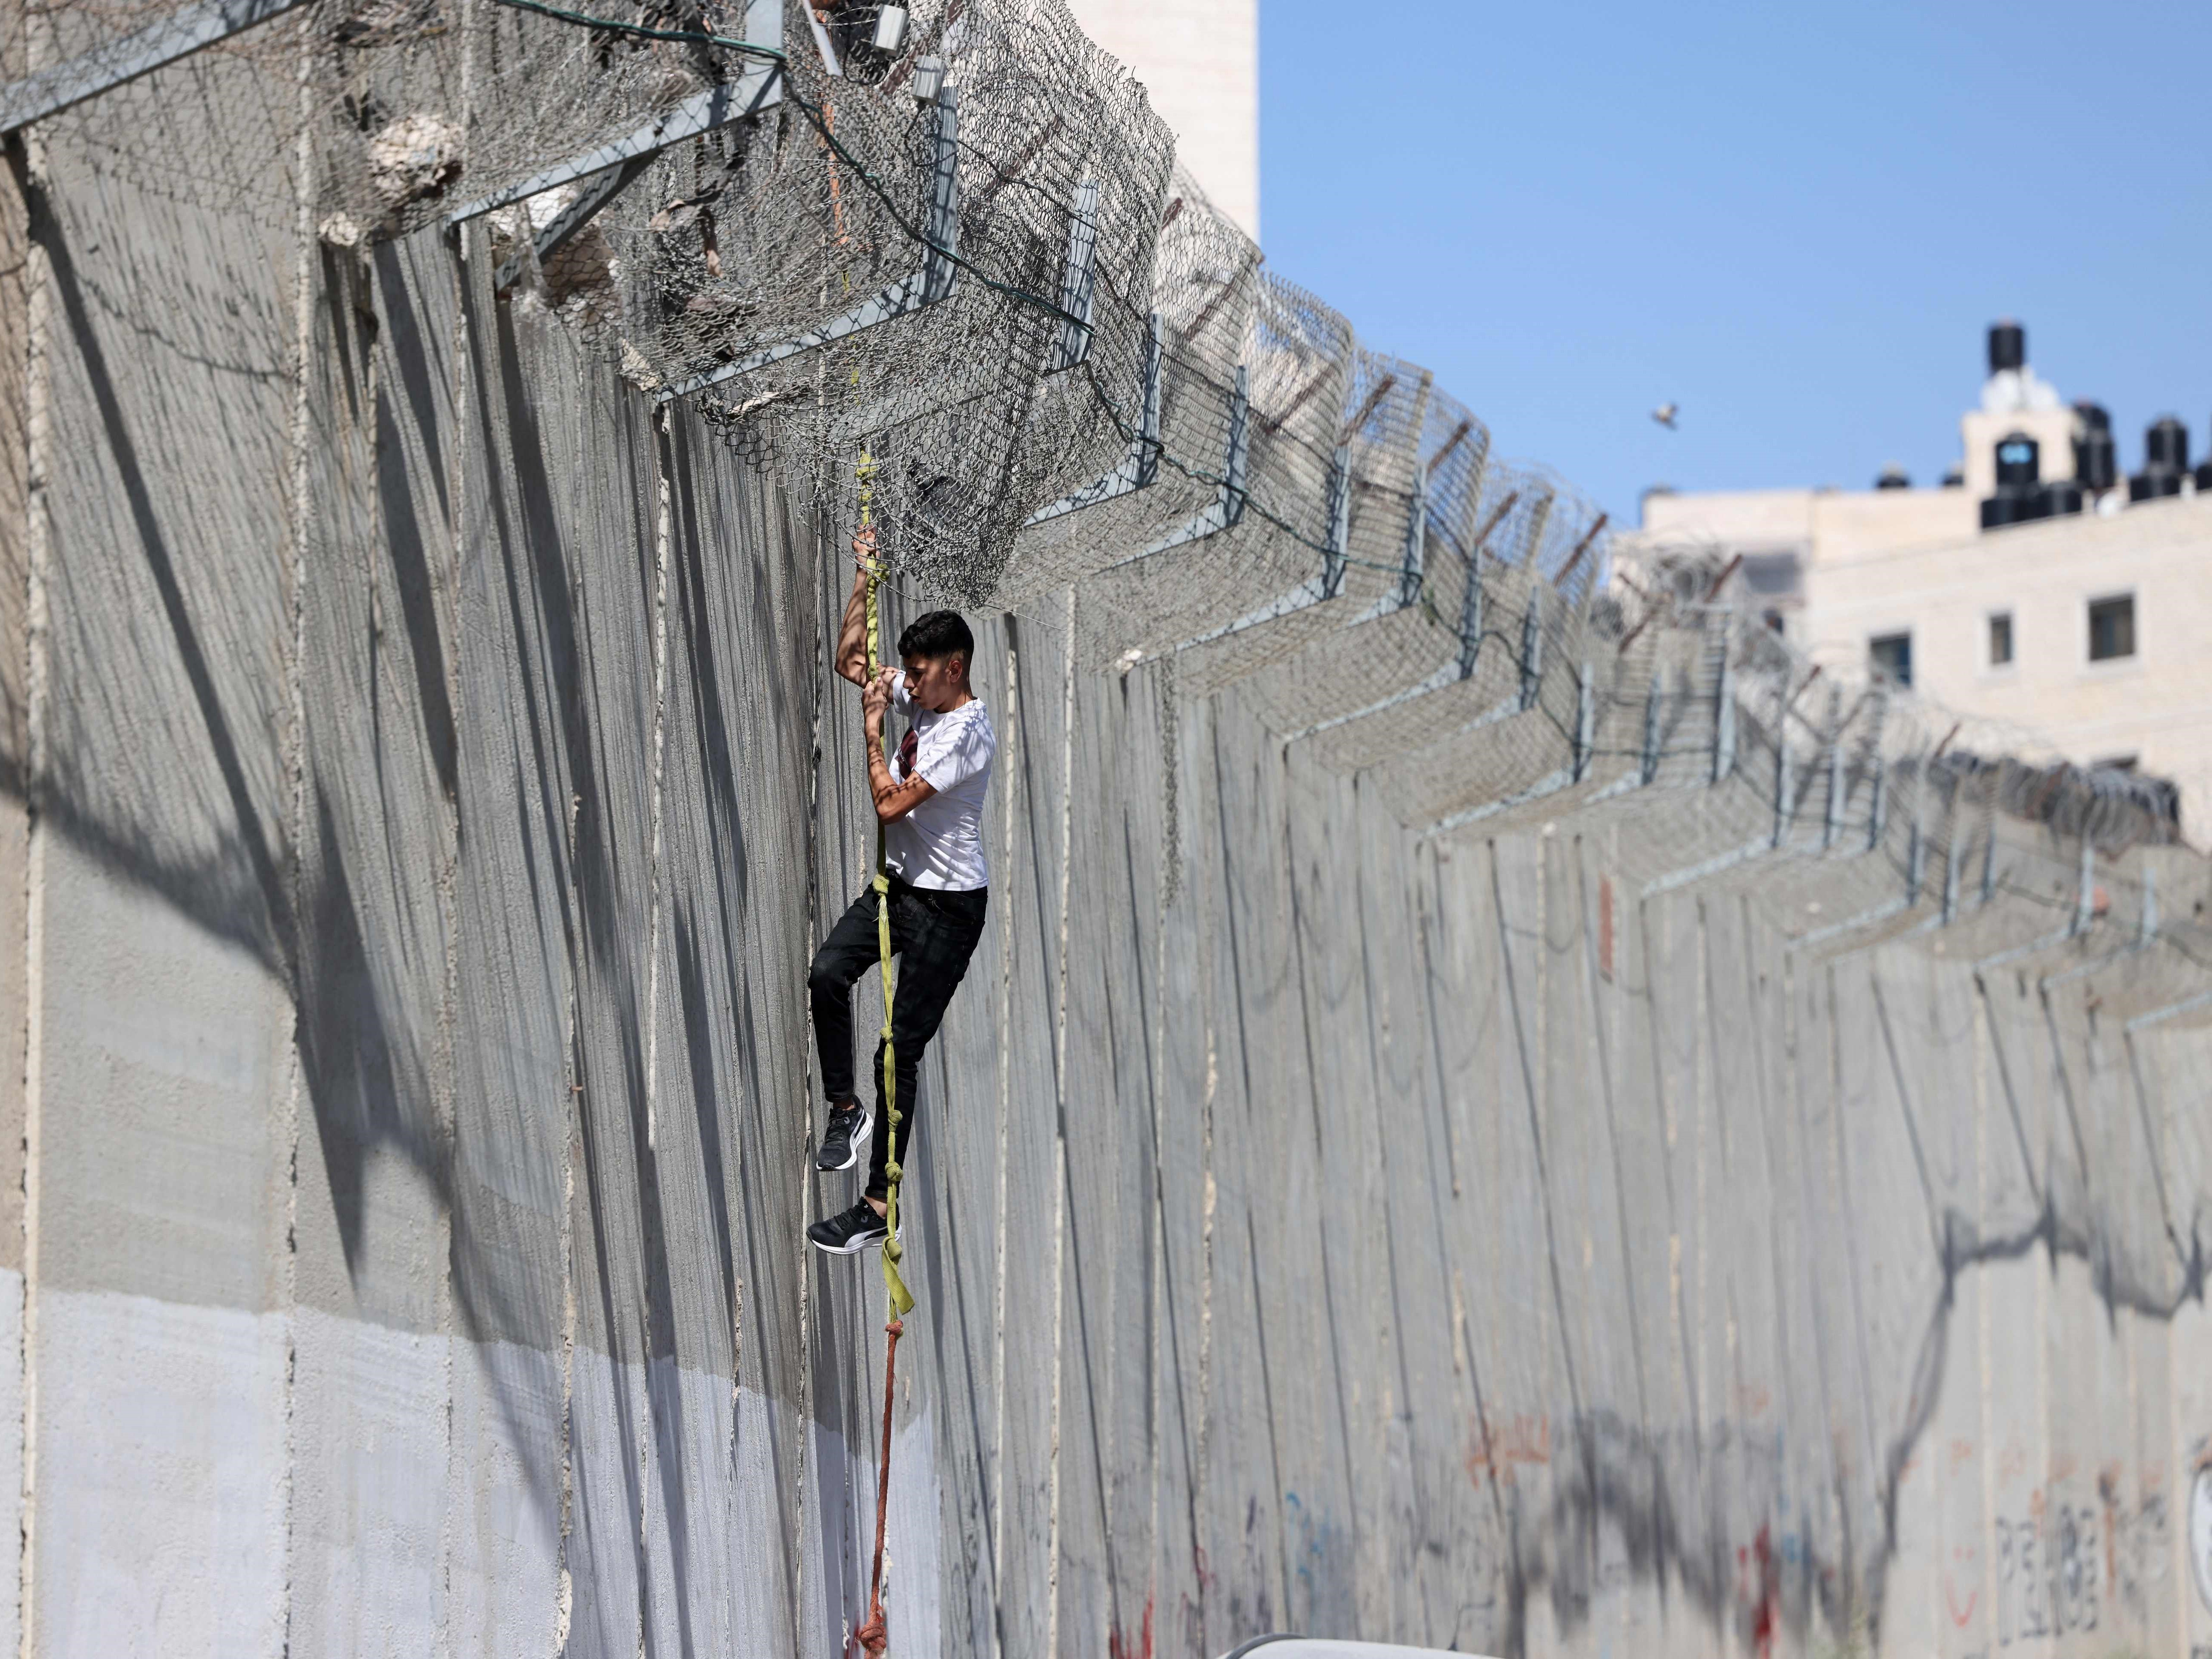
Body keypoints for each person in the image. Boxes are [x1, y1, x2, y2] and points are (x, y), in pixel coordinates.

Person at [805, 528, 996, 1254]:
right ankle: (844, 1109)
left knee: (898, 1050)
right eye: (907, 673)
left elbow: (889, 805)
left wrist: (872, 729)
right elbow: (850, 660)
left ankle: (877, 1206)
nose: (907, 683)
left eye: (919, 675)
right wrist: (865, 578)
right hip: (900, 889)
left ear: (955, 669)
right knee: (827, 973)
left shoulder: (966, 735)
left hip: (950, 912)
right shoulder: (923, 700)